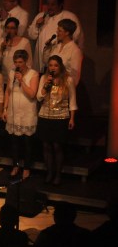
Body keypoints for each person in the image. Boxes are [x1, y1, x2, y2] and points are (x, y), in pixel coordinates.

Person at [36, 55, 77, 185]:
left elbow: (73, 100)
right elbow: (38, 97)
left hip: (61, 116)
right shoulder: (44, 78)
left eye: (55, 65)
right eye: (50, 65)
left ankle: (58, 174)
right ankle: (49, 172)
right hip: (45, 116)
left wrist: (72, 118)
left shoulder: (68, 80)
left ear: (60, 66)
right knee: (46, 145)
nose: (52, 68)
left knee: (57, 146)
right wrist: (46, 85)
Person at [2, 50, 39, 179]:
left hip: (27, 112)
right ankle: (16, 165)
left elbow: (32, 94)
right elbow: (8, 91)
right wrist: (5, 109)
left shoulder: (33, 74)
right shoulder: (12, 73)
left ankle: (27, 168)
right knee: (14, 142)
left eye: (20, 62)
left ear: (26, 61)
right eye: (16, 62)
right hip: (13, 111)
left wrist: (22, 80)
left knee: (27, 142)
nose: (18, 64)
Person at [26, 0, 84, 73]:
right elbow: (31, 35)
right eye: (48, 4)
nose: (49, 7)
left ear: (60, 5)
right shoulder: (41, 16)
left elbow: (77, 38)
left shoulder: (70, 16)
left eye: (53, 4)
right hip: (41, 61)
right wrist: (36, 25)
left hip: (61, 63)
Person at [49, 18, 83, 87]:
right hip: (51, 84)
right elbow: (47, 62)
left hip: (63, 87)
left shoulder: (75, 50)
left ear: (67, 33)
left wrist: (66, 88)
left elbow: (75, 75)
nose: (57, 32)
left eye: (60, 31)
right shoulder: (56, 46)